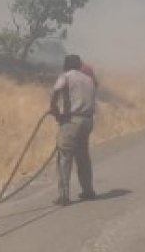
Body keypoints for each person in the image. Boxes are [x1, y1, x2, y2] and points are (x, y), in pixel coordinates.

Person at [50, 54, 97, 205]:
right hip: (88, 120)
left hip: (72, 121)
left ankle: (63, 195)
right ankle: (88, 190)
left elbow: (56, 90)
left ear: (66, 65)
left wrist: (54, 109)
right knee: (83, 155)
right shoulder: (88, 79)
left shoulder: (66, 76)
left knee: (65, 156)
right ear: (79, 65)